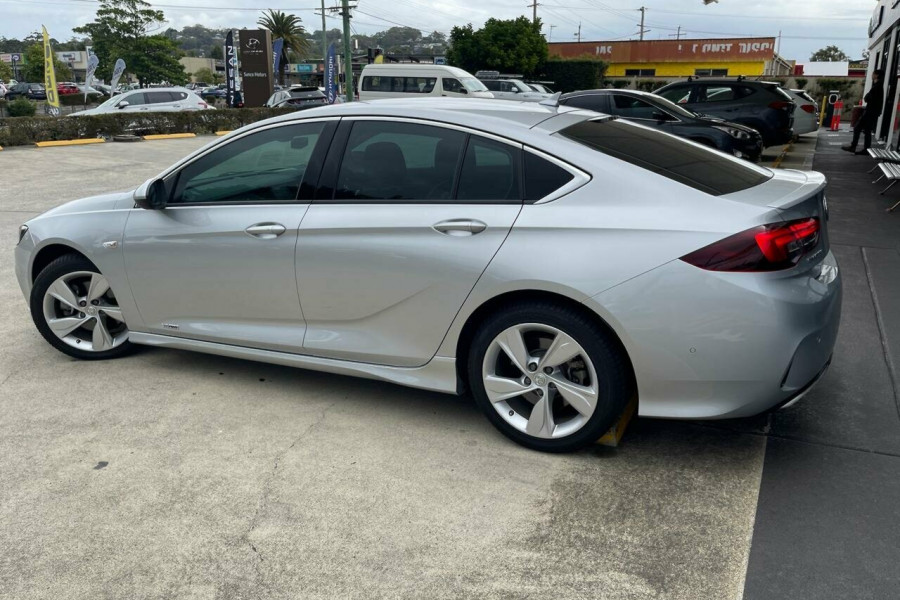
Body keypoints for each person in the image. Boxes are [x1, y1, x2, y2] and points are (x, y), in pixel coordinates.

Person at [843, 70, 884, 155]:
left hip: (870, 111)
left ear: (876, 75)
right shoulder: (878, 85)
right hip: (873, 111)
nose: (872, 75)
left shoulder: (877, 86)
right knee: (867, 130)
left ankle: (854, 146)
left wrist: (867, 97)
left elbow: (868, 98)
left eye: (873, 74)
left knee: (858, 127)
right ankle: (865, 149)